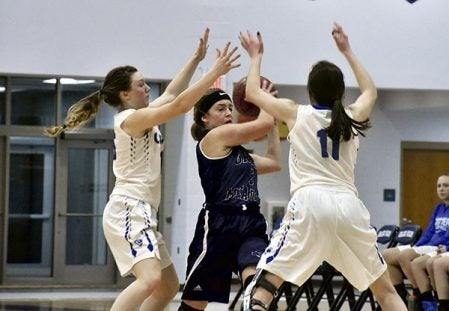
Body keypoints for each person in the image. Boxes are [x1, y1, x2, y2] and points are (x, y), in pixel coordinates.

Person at [45, 29, 241, 311]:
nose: (148, 88)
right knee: (150, 280)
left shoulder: (141, 115)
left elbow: (173, 92)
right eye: (141, 84)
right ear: (125, 94)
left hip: (143, 211)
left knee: (168, 286)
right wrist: (213, 73)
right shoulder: (130, 120)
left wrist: (196, 59)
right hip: (129, 209)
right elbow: (181, 104)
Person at [238, 23, 407, 311]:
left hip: (309, 204)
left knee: (264, 287)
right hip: (348, 206)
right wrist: (347, 51)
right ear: (341, 92)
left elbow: (252, 92)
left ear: (310, 91)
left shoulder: (295, 113)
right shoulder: (353, 116)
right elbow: (370, 91)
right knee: (386, 293)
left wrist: (256, 56)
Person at [177, 84, 282, 311]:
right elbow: (260, 125)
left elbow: (274, 163)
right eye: (220, 108)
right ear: (205, 118)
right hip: (218, 226)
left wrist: (273, 124)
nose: (228, 113)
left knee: (258, 289)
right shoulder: (213, 139)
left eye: (230, 108)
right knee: (195, 304)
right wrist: (265, 100)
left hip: (250, 224)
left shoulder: (240, 154)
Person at [384, 173, 449, 310]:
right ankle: (401, 296)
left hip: (439, 247)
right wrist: (416, 247)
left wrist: (443, 247)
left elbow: (445, 236)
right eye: (439, 186)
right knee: (386, 254)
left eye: (445, 185)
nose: (441, 189)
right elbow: (429, 232)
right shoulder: (438, 208)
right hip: (429, 245)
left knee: (406, 256)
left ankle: (420, 296)